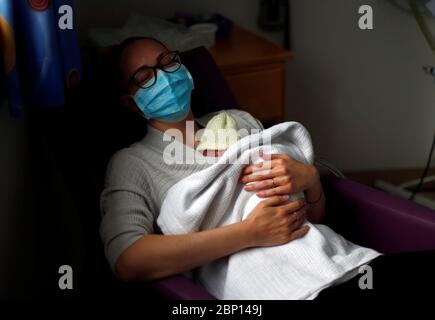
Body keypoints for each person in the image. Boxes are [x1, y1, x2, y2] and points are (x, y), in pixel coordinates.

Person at [100, 36, 435, 300]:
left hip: (337, 260)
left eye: (168, 61)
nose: (165, 76)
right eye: (145, 76)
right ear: (130, 103)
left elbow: (309, 217)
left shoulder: (238, 122)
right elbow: (128, 260)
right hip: (273, 287)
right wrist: (248, 233)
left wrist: (311, 180)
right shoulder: (133, 163)